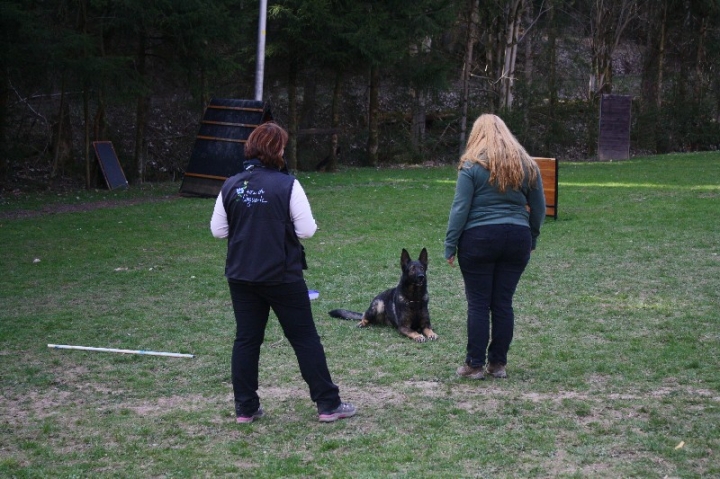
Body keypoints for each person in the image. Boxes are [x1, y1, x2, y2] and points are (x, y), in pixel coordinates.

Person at [210, 122, 356, 423]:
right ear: (276, 150)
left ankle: (245, 408)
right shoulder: (288, 185)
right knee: (304, 338)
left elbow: (218, 231)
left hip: (241, 275)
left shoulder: (231, 184)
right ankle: (328, 404)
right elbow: (307, 230)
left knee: (247, 340)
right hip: (282, 274)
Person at [444, 114, 545, 380]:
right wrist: (532, 236)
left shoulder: (471, 166)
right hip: (517, 237)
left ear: (476, 136)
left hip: (479, 239)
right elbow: (539, 208)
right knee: (502, 303)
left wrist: (450, 244)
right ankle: (498, 364)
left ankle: (474, 365)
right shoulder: (527, 165)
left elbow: (460, 209)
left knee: (478, 304)